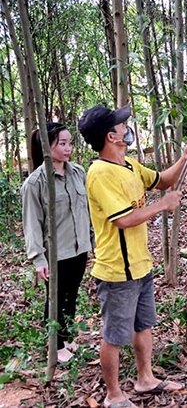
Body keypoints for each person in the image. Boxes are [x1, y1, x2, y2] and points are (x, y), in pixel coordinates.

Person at [78, 104, 187, 408]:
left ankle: (145, 378)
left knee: (143, 324)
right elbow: (122, 219)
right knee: (114, 335)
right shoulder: (99, 173)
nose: (126, 127)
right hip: (117, 270)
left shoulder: (130, 165)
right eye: (121, 125)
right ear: (111, 136)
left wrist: (186, 156)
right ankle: (113, 395)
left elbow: (163, 180)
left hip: (140, 264)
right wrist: (163, 206)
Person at [21, 123, 94, 363]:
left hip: (79, 248)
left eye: (69, 143)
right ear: (46, 147)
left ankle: (68, 336)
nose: (68, 148)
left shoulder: (79, 173)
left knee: (71, 295)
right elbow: (32, 224)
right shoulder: (35, 183)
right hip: (56, 253)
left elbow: (87, 211)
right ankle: (56, 344)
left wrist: (92, 240)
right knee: (55, 298)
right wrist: (38, 258)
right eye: (61, 144)